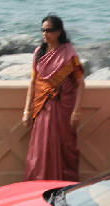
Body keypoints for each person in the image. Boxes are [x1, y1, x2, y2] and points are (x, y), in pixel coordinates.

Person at [22, 14, 85, 181]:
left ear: (58, 32)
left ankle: (64, 184)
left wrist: (76, 112)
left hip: (64, 110)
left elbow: (80, 83)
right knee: (41, 149)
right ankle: (40, 184)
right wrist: (27, 111)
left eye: (49, 30)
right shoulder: (39, 53)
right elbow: (33, 82)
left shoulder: (69, 54)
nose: (45, 34)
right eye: (43, 30)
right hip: (43, 108)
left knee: (65, 149)